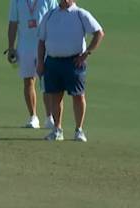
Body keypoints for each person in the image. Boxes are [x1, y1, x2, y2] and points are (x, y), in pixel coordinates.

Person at [36, 0, 104, 142]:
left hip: (74, 62)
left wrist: (86, 53)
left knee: (78, 96)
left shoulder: (80, 14)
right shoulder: (50, 15)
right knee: (55, 96)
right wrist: (40, 62)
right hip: (53, 61)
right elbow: (41, 41)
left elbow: (99, 33)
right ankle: (57, 130)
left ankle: (78, 130)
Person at [6, 0, 58, 129]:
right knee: (28, 81)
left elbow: (56, 20)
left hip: (44, 44)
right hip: (25, 46)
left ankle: (49, 117)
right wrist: (11, 47)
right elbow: (13, 23)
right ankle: (33, 117)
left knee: (46, 82)